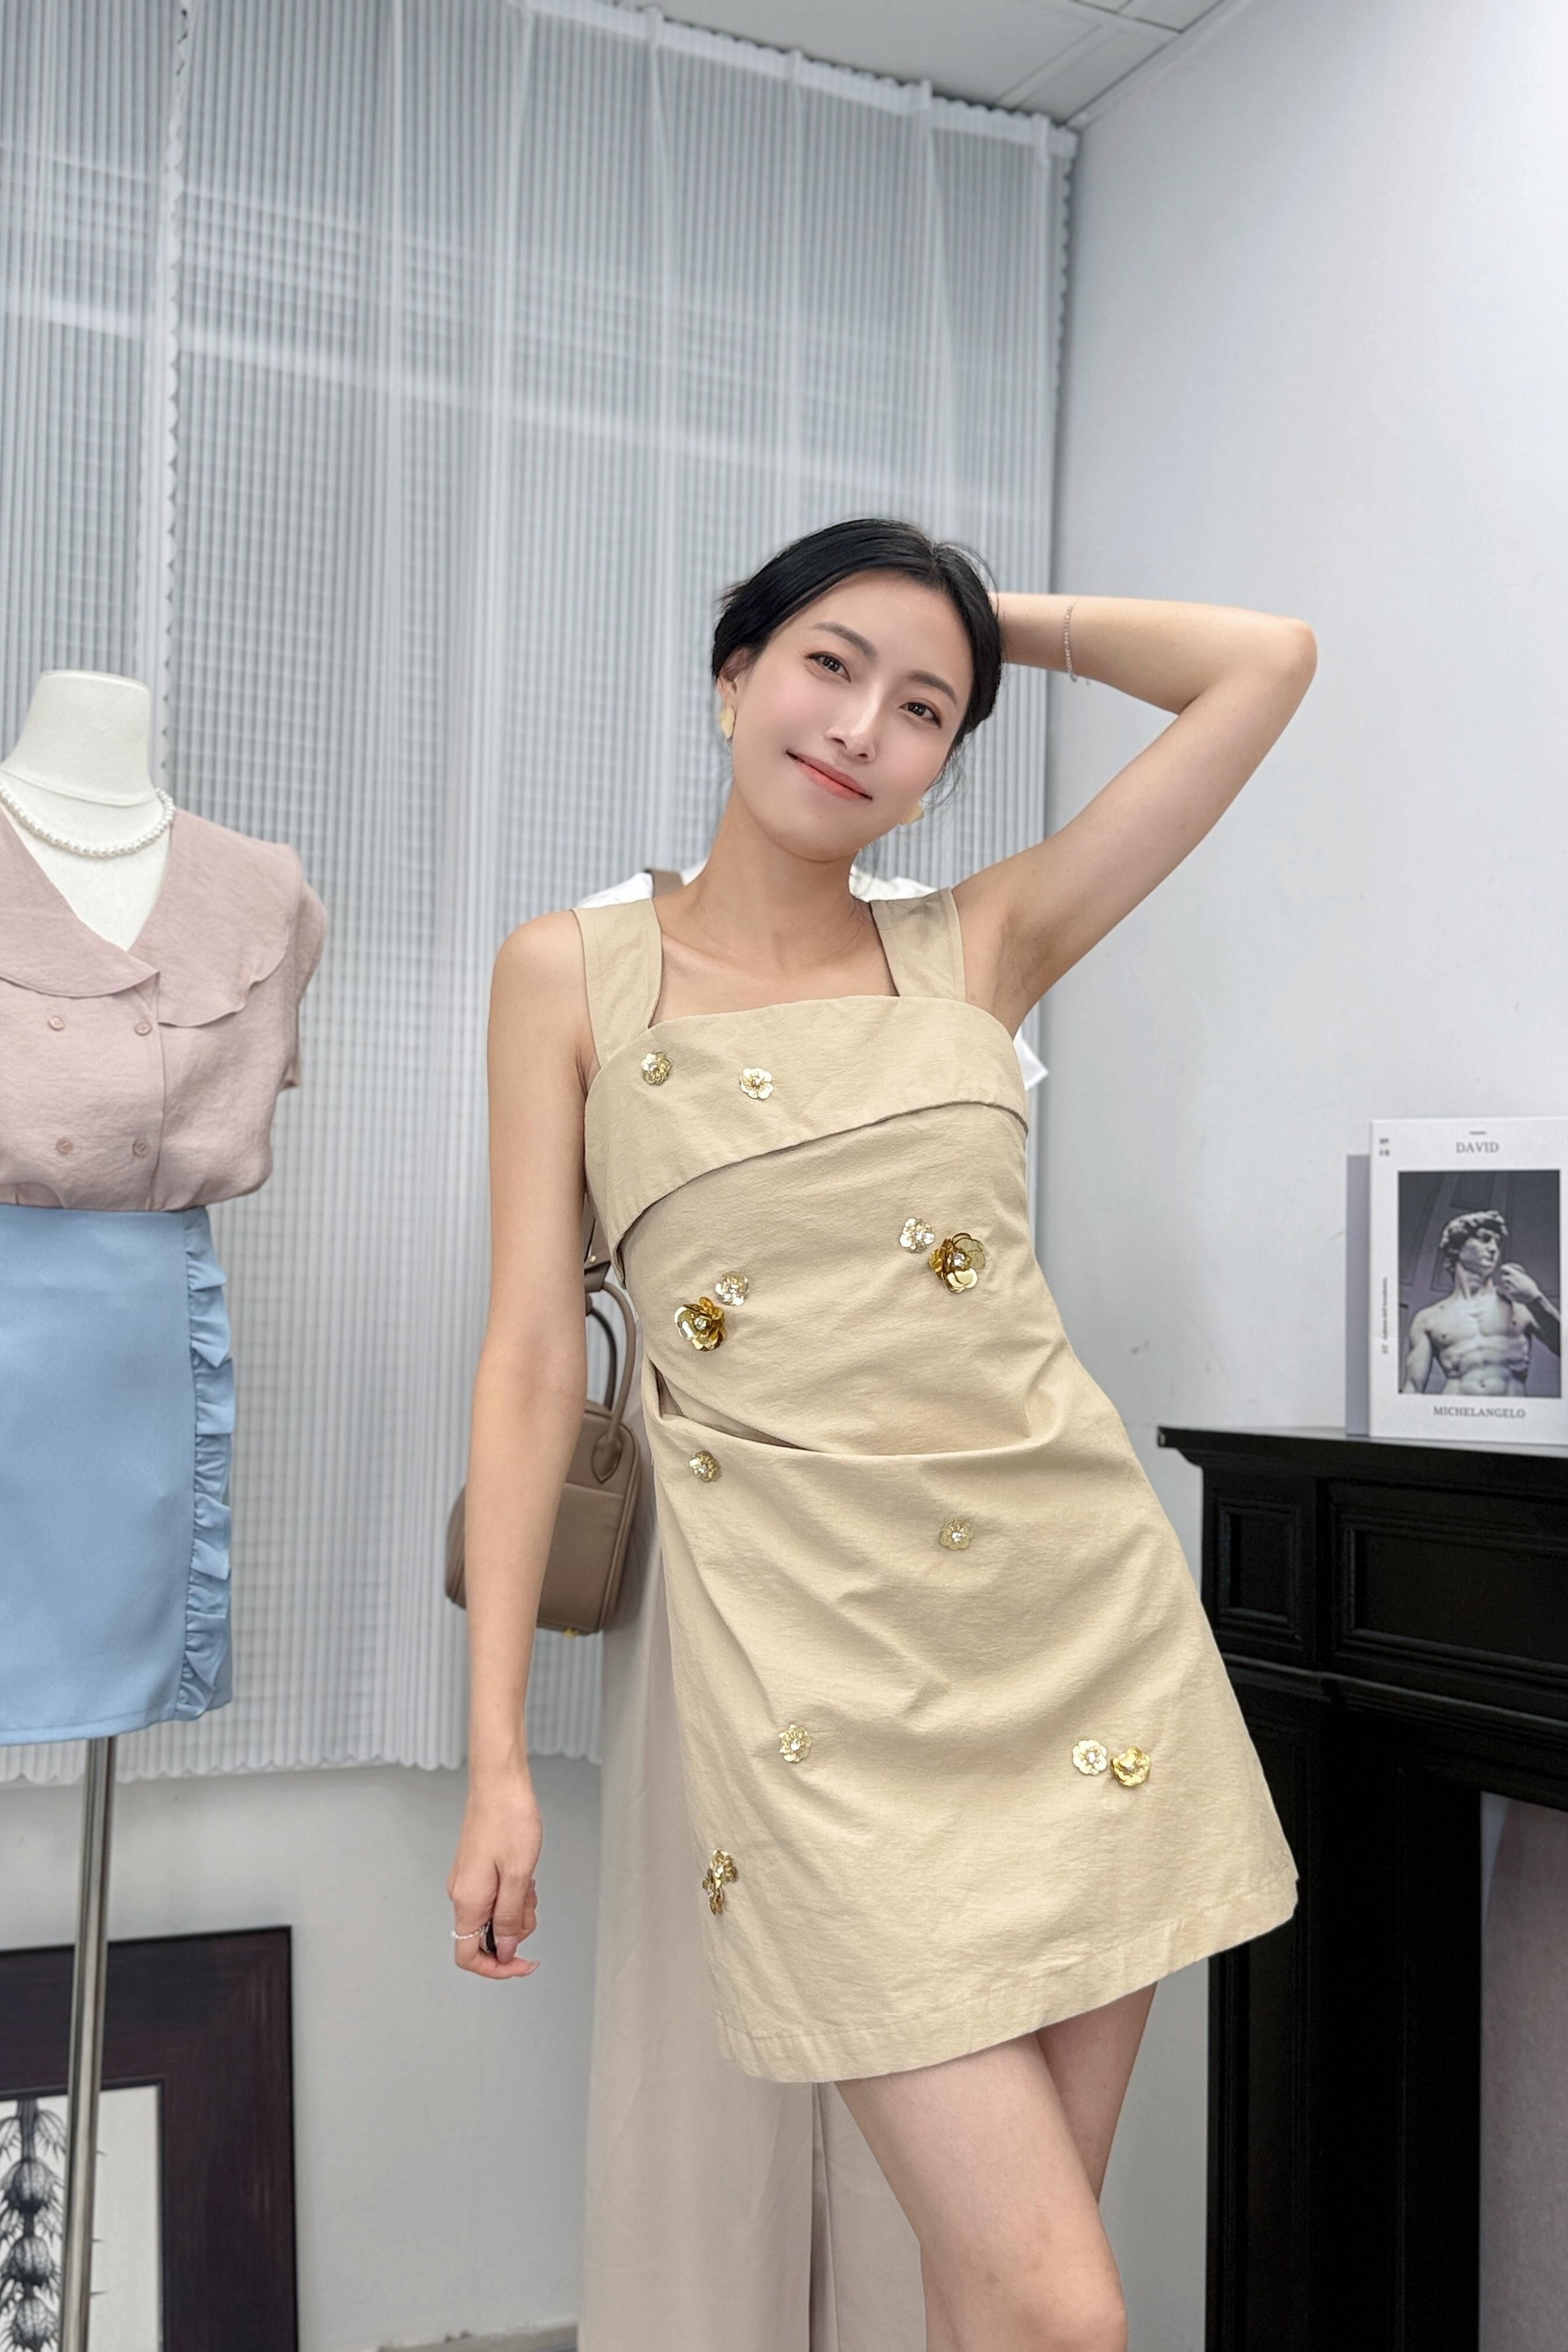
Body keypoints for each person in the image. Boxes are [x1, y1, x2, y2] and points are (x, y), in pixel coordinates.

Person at [450, 517, 1315, 2350]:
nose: (861, 726)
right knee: (1062, 2309)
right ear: (734, 676)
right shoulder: (572, 978)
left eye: (924, 707)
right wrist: (498, 1759)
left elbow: (1265, 663)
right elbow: (529, 1358)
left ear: (941, 767)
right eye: (829, 664)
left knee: (996, 2298)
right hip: (818, 1696)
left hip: (1079, 1640)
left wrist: (991, 620)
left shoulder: (978, 945)